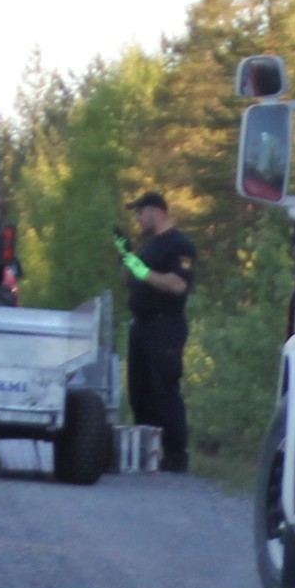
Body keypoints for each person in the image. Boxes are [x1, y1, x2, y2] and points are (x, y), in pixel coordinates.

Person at [121, 190, 195, 471]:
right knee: (139, 391)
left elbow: (177, 284)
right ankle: (145, 453)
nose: (138, 219)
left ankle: (175, 456)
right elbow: (133, 281)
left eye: (140, 212)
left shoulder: (180, 245)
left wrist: (142, 271)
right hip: (141, 324)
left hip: (165, 324)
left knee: (164, 389)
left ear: (156, 211)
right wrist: (127, 257)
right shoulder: (149, 245)